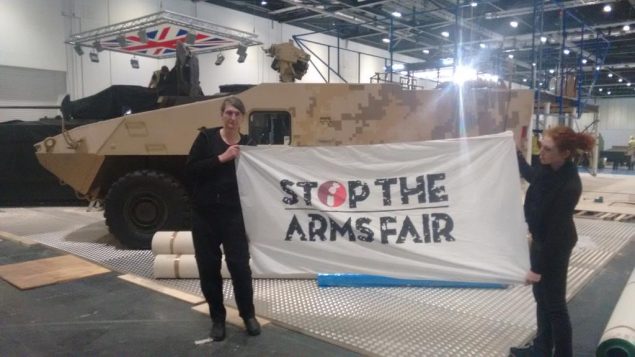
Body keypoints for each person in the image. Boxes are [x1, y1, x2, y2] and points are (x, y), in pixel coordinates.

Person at [510, 126, 595, 357]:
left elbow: (555, 233)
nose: (541, 154)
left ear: (565, 153)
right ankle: (542, 348)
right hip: (541, 240)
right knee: (541, 298)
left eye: (548, 149)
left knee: (555, 305)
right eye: (541, 147)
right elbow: (532, 175)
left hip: (555, 246)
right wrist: (516, 154)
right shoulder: (547, 168)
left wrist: (537, 269)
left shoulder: (568, 185)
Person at [185, 96, 260, 341]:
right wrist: (221, 159)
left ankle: (248, 315)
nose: (232, 118)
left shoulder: (249, 145)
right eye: (228, 113)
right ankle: (218, 319)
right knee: (208, 268)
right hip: (205, 216)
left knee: (240, 267)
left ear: (242, 118)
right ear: (221, 115)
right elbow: (191, 170)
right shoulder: (206, 139)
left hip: (234, 217)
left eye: (237, 114)